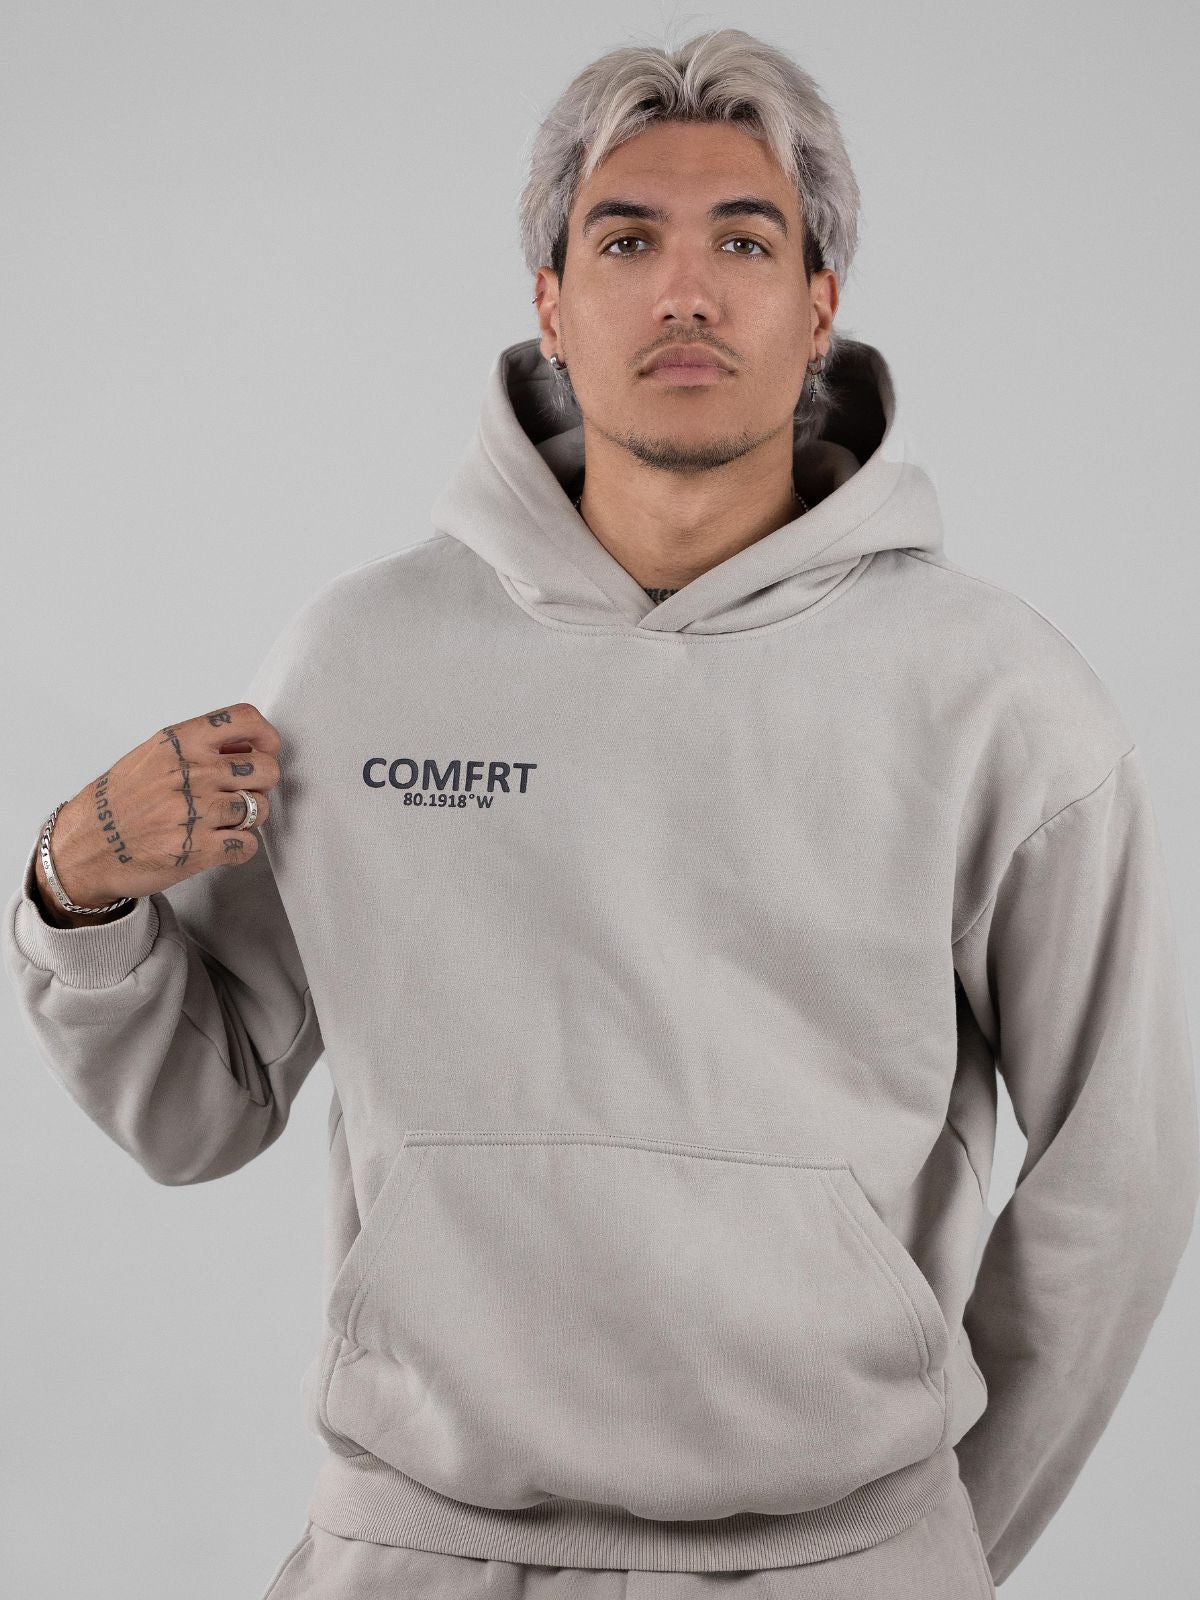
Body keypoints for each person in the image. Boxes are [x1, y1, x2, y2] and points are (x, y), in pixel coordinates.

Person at [5, 25, 1197, 1599]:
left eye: (744, 241)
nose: (685, 291)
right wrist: (78, 902)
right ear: (552, 303)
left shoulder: (997, 697)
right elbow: (197, 1112)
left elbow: (1123, 1169)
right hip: (412, 1558)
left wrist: (932, 1551)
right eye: (627, 240)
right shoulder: (359, 664)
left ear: (820, 302)